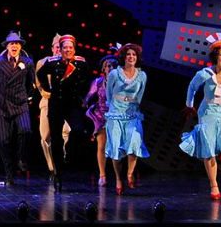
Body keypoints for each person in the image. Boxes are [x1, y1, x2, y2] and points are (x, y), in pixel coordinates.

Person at [180, 34, 221, 200]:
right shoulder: (205, 73)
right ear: (215, 57)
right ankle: (214, 185)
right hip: (208, 111)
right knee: (208, 147)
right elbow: (192, 87)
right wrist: (190, 105)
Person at [38, 34, 91, 190]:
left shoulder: (81, 63)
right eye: (65, 47)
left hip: (73, 104)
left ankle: (68, 151)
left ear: (74, 49)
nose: (68, 50)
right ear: (60, 49)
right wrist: (48, 89)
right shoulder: (52, 62)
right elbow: (40, 74)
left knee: (79, 130)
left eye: (70, 47)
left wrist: (81, 94)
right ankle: (58, 175)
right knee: (55, 139)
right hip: (56, 103)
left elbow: (87, 79)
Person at [0, 31, 35, 186]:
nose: (14, 46)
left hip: (20, 103)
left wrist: (28, 97)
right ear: (7, 46)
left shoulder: (27, 62)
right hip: (2, 105)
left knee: (25, 130)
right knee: (3, 140)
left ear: (20, 46)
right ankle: (9, 174)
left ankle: (21, 158)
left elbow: (31, 83)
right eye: (11, 43)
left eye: (17, 43)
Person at [104, 43, 149, 192]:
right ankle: (118, 178)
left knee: (134, 142)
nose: (131, 57)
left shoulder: (142, 75)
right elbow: (109, 94)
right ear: (124, 57)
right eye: (128, 54)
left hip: (132, 113)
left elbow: (140, 96)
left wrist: (133, 106)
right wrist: (115, 107)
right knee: (116, 148)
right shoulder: (114, 74)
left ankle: (129, 174)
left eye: (134, 55)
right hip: (115, 114)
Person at [85, 54, 118, 189]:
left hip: (117, 117)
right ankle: (102, 175)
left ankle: (118, 176)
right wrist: (84, 102)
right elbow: (89, 96)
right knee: (101, 146)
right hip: (101, 116)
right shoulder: (98, 82)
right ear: (104, 69)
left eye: (113, 66)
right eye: (108, 66)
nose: (110, 68)